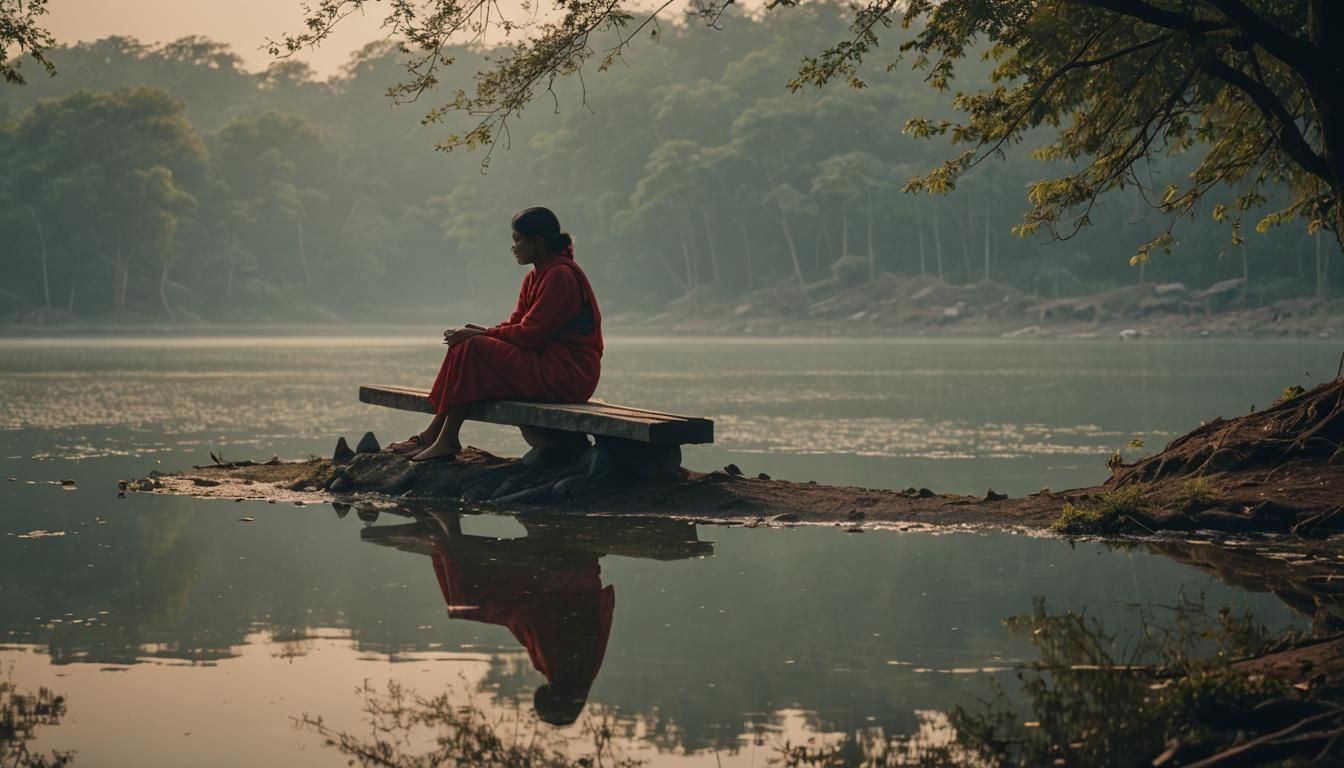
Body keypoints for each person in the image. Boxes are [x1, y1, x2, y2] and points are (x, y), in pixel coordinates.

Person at [389, 207, 603, 461]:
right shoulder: (535, 276)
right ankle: (435, 435)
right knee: (464, 345)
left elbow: (531, 335)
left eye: (518, 240)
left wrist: (480, 333)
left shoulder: (560, 275)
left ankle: (443, 438)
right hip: (546, 364)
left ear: (539, 241)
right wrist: (476, 333)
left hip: (568, 374)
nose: (513, 247)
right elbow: (516, 324)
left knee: (473, 346)